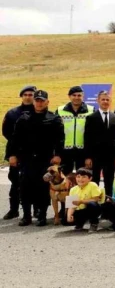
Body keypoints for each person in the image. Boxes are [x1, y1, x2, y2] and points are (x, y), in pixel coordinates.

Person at [11, 89, 64, 226]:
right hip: (26, 159)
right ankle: (26, 216)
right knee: (25, 187)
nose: (39, 103)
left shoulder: (54, 119)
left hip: (45, 159)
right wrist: (12, 155)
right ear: (33, 102)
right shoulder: (24, 118)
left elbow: (60, 139)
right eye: (37, 101)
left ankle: (42, 215)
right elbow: (15, 139)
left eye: (42, 101)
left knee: (43, 187)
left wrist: (58, 155)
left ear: (47, 102)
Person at [2, 84, 36, 220]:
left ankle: (36, 210)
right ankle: (13, 209)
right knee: (15, 182)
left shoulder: (40, 111)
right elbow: (7, 134)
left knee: (35, 183)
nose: (28, 97)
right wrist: (12, 155)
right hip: (17, 153)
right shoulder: (12, 113)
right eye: (25, 95)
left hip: (35, 155)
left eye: (31, 95)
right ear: (21, 96)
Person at [85, 90, 115, 197]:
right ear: (98, 101)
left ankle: (109, 201)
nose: (105, 102)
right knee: (95, 180)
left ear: (110, 101)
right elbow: (87, 138)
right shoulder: (91, 117)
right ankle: (94, 202)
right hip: (95, 156)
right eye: (103, 99)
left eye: (107, 100)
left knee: (109, 180)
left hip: (110, 156)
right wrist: (88, 157)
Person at [56, 85, 94, 175]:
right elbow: (55, 133)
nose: (76, 97)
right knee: (64, 178)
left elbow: (94, 135)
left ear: (83, 96)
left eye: (79, 95)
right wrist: (57, 154)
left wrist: (89, 156)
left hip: (83, 151)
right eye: (74, 95)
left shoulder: (91, 110)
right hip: (65, 152)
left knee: (83, 178)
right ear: (69, 96)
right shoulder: (60, 110)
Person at [66, 167, 103, 233]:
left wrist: (81, 201)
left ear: (90, 178)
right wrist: (69, 216)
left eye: (84, 177)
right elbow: (71, 205)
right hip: (81, 210)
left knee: (91, 205)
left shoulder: (93, 185)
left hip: (93, 208)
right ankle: (80, 223)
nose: (80, 179)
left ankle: (94, 223)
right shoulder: (73, 189)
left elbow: (96, 199)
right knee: (65, 220)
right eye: (78, 177)